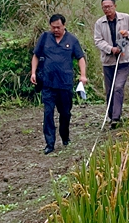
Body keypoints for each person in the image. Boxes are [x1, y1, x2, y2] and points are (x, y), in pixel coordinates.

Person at [31, 14, 88, 154]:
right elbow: (36, 55)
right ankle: (49, 144)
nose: (55, 30)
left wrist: (83, 75)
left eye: (58, 27)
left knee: (65, 113)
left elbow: (80, 58)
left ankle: (65, 137)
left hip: (65, 84)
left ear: (64, 26)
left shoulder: (72, 40)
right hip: (48, 84)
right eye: (53, 27)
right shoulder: (45, 38)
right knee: (48, 113)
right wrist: (33, 72)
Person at [93, 0, 129, 128]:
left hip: (124, 60)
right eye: (104, 7)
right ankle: (110, 114)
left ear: (115, 6)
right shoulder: (99, 23)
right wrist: (110, 49)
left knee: (118, 87)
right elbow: (98, 41)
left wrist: (128, 34)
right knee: (110, 89)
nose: (107, 9)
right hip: (108, 61)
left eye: (109, 6)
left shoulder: (126, 18)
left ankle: (115, 117)